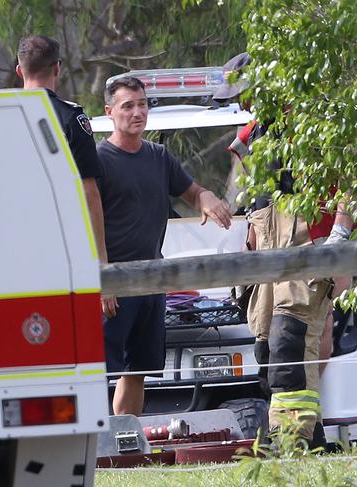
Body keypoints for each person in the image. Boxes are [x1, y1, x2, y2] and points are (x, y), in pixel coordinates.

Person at [215, 53, 355, 447]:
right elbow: (245, 203)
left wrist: (340, 239)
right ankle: (311, 437)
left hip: (307, 244)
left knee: (290, 340)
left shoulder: (312, 124)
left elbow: (350, 179)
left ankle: (290, 440)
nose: (241, 103)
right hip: (264, 252)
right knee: (267, 349)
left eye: (245, 93)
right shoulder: (248, 137)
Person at [98, 76, 232, 416]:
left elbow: (193, 191)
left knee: (137, 371)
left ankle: (124, 445)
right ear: (109, 112)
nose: (137, 112)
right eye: (128, 106)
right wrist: (101, 281)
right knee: (98, 373)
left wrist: (207, 198)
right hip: (110, 284)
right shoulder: (97, 160)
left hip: (152, 281)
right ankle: (94, 452)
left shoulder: (158, 156)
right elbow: (81, 226)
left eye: (142, 104)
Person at [16, 35, 115, 316]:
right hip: (61, 254)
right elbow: (89, 193)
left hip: (11, 255)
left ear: (20, 70)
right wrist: (102, 265)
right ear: (57, 68)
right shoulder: (71, 119)